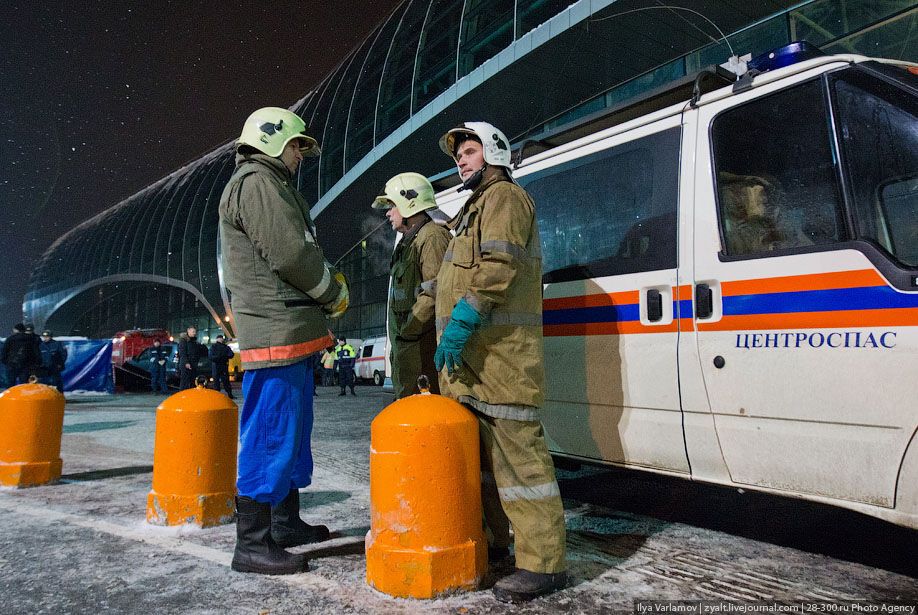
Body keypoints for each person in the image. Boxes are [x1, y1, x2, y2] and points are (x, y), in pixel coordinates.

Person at [434, 122, 567, 603]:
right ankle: (500, 546)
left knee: (521, 464)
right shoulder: (471, 209)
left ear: (493, 151)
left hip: (504, 359)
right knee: (489, 467)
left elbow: (499, 266)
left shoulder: (505, 198)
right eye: (458, 156)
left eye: (469, 152)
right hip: (476, 361)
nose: (462, 162)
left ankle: (543, 563)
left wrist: (464, 316)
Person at [219, 106, 349, 575]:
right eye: (296, 146)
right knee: (271, 433)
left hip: (288, 329)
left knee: (290, 432)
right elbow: (290, 253)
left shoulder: (269, 184)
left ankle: (283, 522)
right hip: (275, 330)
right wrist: (331, 290)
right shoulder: (257, 182)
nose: (300, 155)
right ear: (273, 142)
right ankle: (252, 543)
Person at [371, 172, 450, 398]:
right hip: (408, 352)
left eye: (392, 205)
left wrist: (407, 332)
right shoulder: (407, 243)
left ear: (409, 203)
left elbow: (434, 291)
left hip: (422, 351)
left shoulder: (432, 237)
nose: (388, 212)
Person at [209, 334, 235, 399]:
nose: (221, 339)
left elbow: (211, 356)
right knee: (225, 381)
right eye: (220, 338)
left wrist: (219, 357)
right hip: (223, 365)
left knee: (217, 381)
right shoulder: (225, 347)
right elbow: (231, 354)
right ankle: (229, 394)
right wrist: (224, 357)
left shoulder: (214, 347)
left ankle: (217, 395)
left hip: (217, 365)